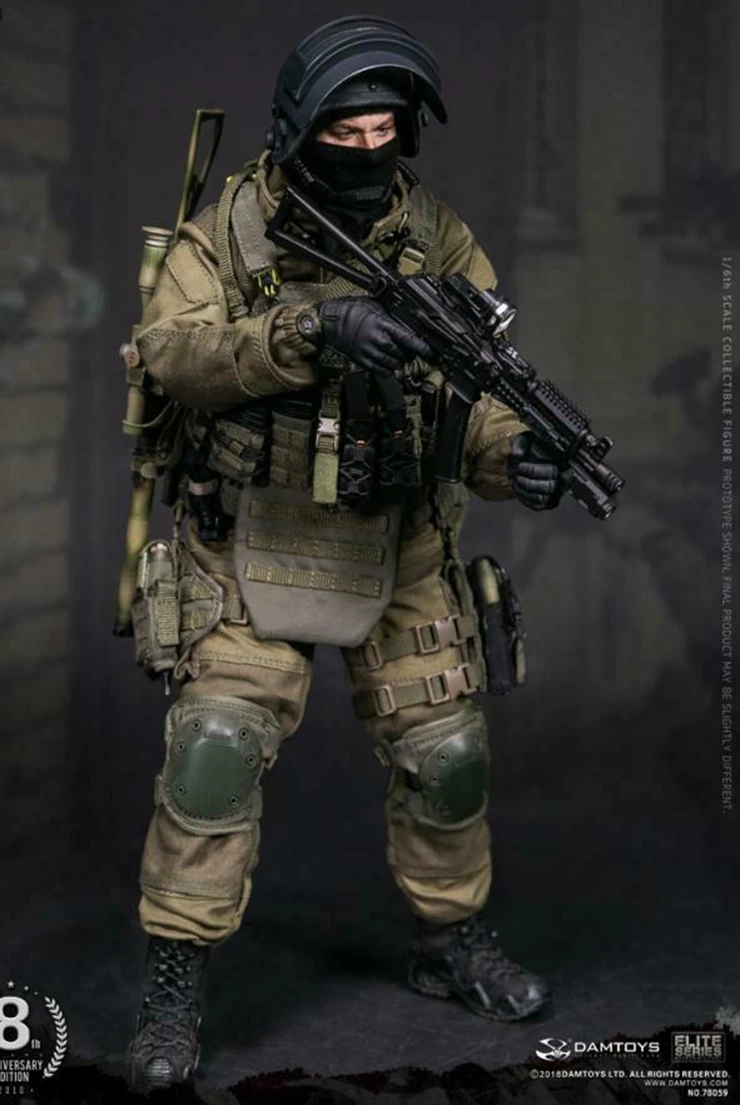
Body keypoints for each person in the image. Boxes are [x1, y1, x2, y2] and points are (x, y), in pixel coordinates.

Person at [126, 15, 564, 1092]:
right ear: (299, 129)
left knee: (447, 751)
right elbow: (172, 356)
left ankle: (448, 939)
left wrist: (512, 458)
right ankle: (173, 984)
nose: (368, 150)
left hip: (397, 538)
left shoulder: (436, 237)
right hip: (250, 540)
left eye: (384, 131)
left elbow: (478, 389)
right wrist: (308, 335)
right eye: (344, 131)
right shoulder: (228, 234)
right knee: (213, 749)